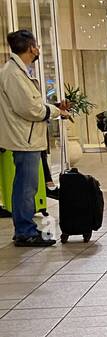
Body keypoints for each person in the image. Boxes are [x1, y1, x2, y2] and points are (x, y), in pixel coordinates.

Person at [0, 29, 67, 246]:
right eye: (36, 45)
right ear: (30, 47)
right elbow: (29, 108)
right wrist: (55, 111)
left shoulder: (18, 71)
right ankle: (25, 231)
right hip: (24, 137)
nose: (38, 49)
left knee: (27, 184)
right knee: (26, 186)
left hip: (26, 136)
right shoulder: (13, 73)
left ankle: (24, 228)